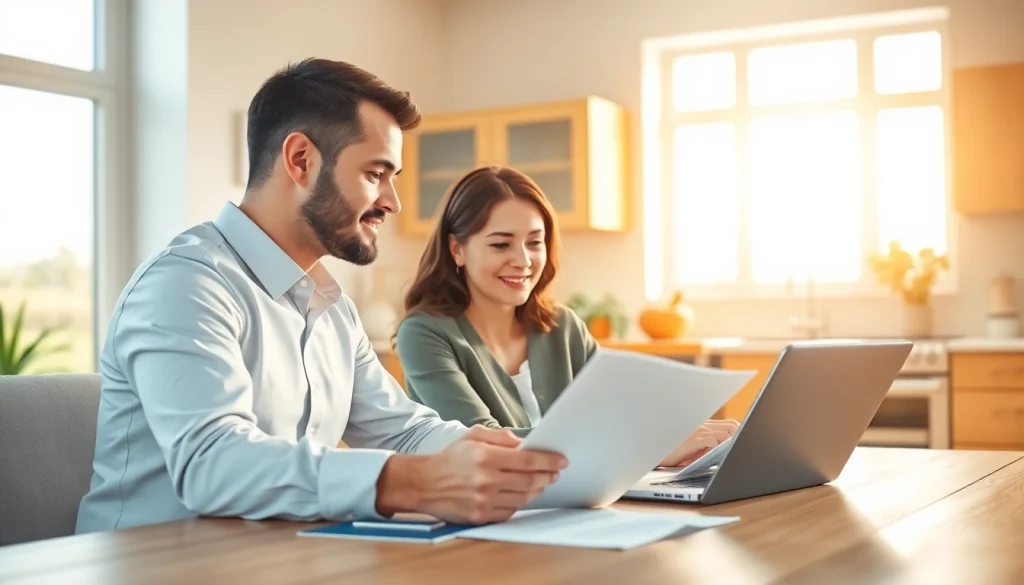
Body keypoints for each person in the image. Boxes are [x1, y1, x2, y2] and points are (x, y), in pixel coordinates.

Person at [75, 60, 566, 534]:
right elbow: (212, 463)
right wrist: (410, 482)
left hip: (273, 560)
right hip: (155, 567)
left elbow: (404, 432)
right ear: (301, 160)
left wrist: (517, 458)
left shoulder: (331, 309)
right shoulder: (186, 285)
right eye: (376, 174)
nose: (393, 201)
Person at [395, 166, 738, 468]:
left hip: (578, 501)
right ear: (457, 249)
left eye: (534, 242)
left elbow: (617, 415)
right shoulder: (424, 334)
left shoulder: (563, 326)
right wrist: (646, 446)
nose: (523, 260)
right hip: (483, 515)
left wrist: (675, 440)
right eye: (501, 245)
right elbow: (485, 443)